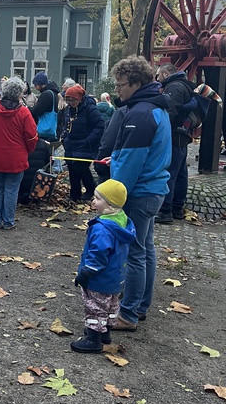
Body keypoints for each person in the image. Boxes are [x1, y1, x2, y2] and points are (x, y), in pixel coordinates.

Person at [107, 56, 171, 331]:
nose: (118, 90)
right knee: (145, 249)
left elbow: (133, 162)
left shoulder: (140, 114)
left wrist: (113, 194)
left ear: (135, 83)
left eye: (121, 84)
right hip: (153, 188)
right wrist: (117, 158)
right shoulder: (156, 108)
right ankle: (140, 305)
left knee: (134, 252)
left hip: (140, 191)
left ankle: (129, 313)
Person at [70, 180, 136, 353]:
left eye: (98, 199)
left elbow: (98, 255)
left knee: (95, 306)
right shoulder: (123, 221)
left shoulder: (102, 229)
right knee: (111, 304)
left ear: (109, 205)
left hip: (100, 277)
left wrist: (86, 272)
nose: (93, 201)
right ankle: (105, 333)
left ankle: (93, 339)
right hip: (116, 275)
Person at [0, 77, 38, 229]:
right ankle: (8, 221)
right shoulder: (24, 113)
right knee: (12, 189)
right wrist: (27, 151)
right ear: (20, 93)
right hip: (16, 157)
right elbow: (31, 136)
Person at [154, 63, 194, 223]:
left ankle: (166, 211)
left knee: (170, 173)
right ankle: (177, 208)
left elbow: (170, 112)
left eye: (158, 75)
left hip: (174, 136)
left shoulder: (174, 88)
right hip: (182, 136)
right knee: (181, 173)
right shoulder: (184, 85)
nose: (157, 79)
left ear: (165, 73)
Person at [62, 84, 104, 201]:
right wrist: (64, 137)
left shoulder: (90, 109)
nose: (71, 102)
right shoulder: (68, 110)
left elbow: (100, 125)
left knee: (81, 168)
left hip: (84, 144)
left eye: (73, 100)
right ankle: (75, 194)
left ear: (79, 99)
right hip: (71, 144)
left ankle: (91, 189)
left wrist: (89, 140)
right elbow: (65, 124)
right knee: (71, 168)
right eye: (68, 100)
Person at [29, 72, 61, 140]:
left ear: (40, 84)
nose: (35, 87)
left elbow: (37, 111)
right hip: (52, 128)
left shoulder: (46, 94)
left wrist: (27, 108)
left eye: (36, 85)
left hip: (44, 131)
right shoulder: (53, 93)